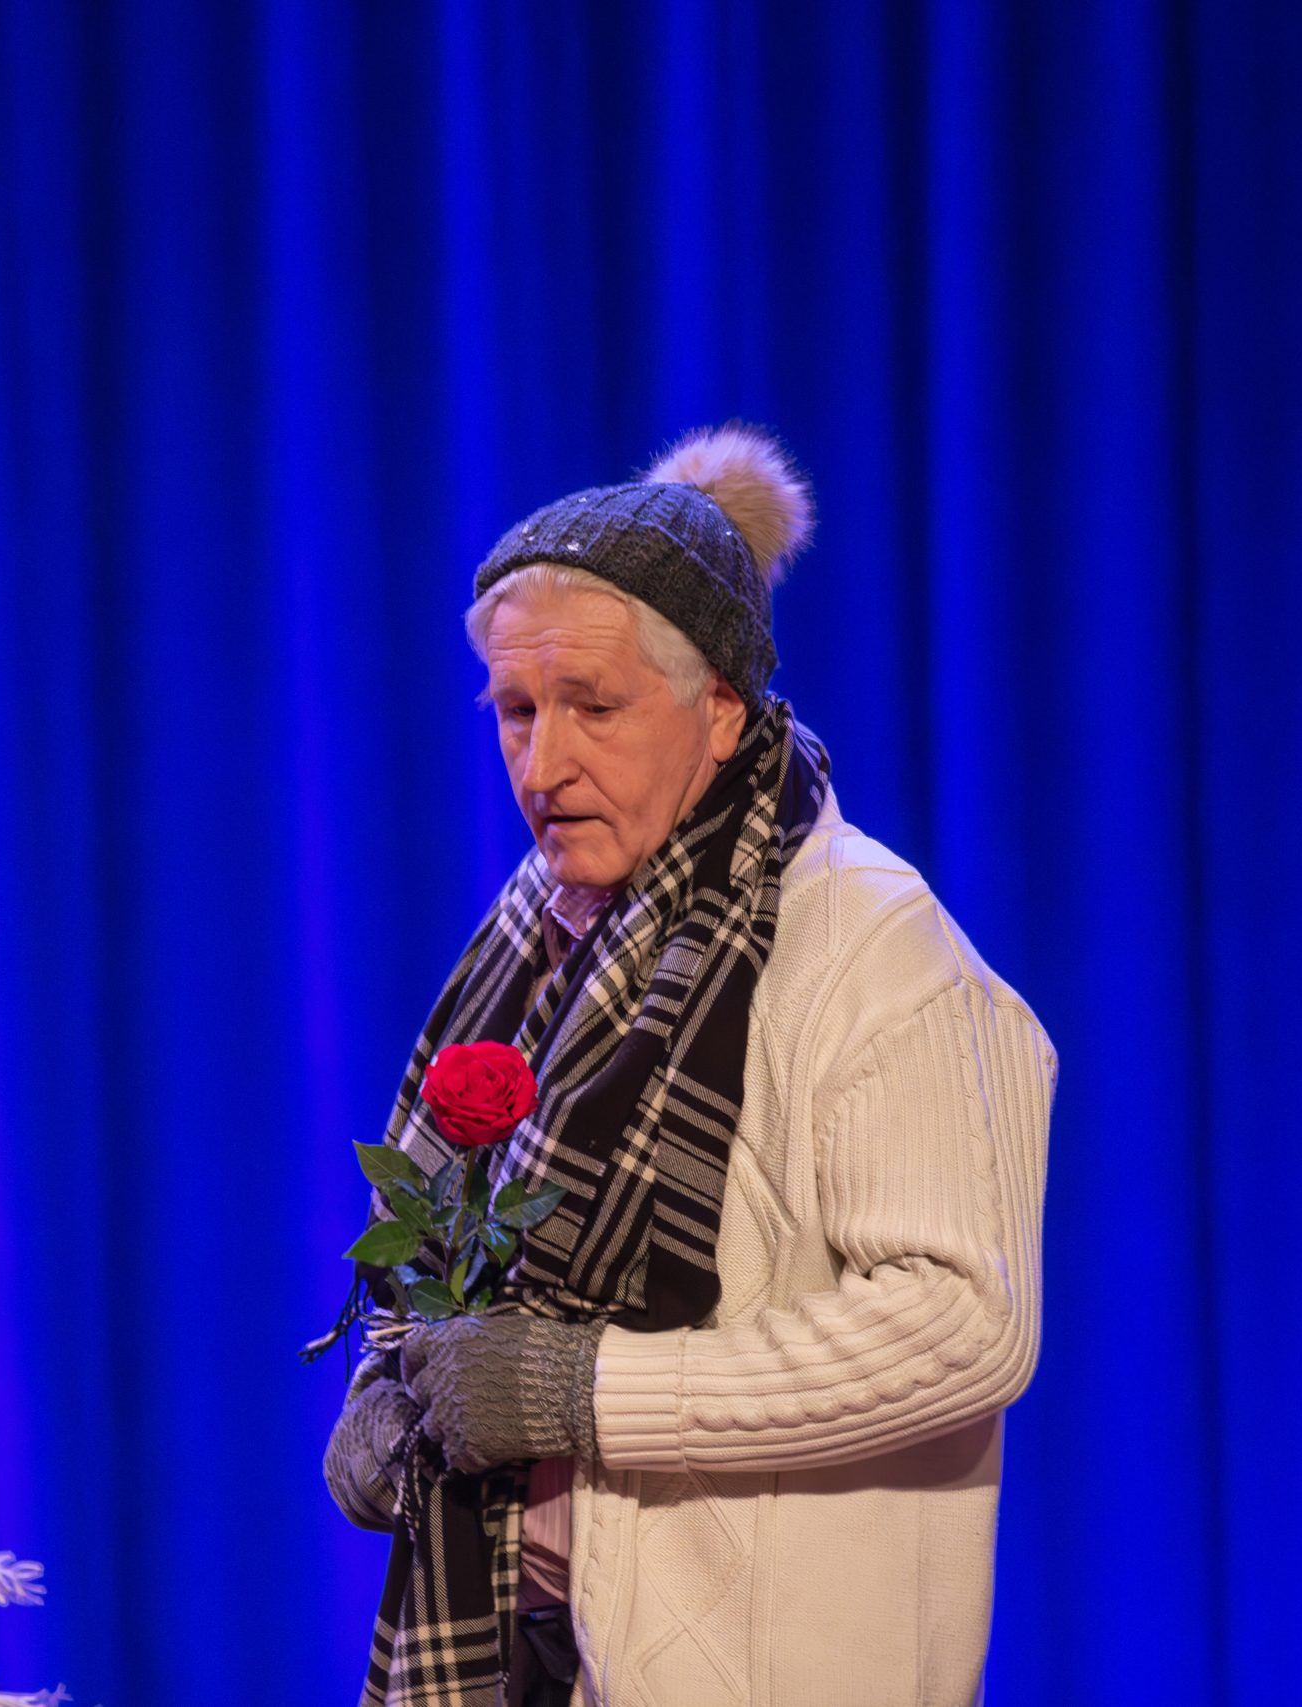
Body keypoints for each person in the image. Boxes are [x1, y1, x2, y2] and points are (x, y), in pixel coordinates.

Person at [321, 422, 1056, 1707]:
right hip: (527, 1650)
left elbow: (961, 1326)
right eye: (515, 712)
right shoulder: (537, 939)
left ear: (718, 707)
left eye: (592, 707)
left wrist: (586, 1391)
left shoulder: (871, 943)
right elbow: (465, 1264)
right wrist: (396, 1389)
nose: (543, 763)